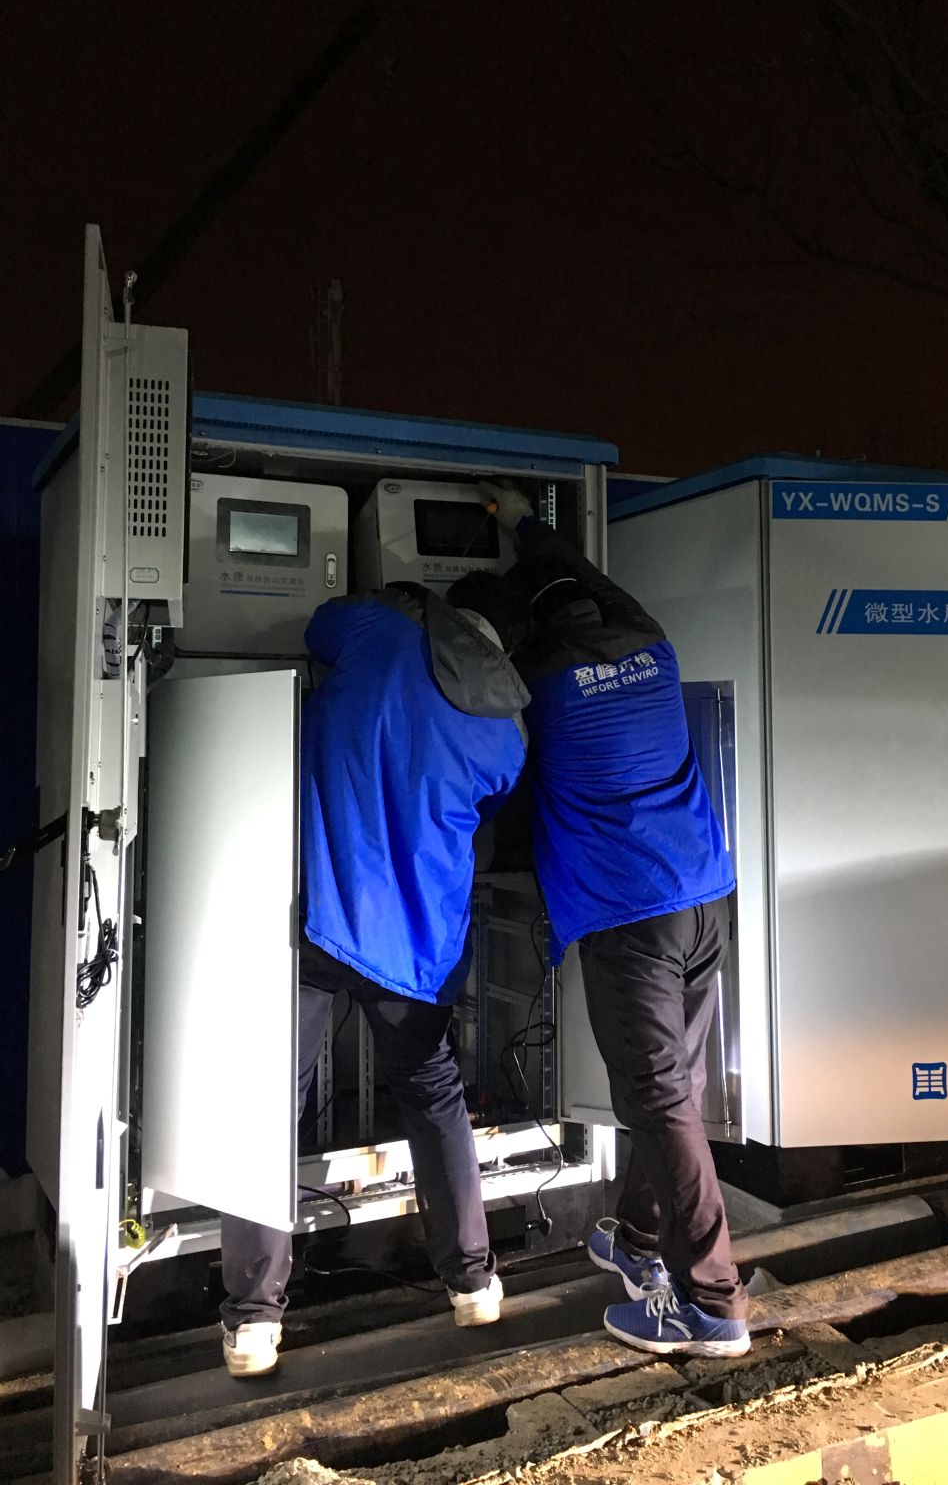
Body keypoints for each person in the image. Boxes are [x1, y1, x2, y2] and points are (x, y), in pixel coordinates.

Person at [218, 572, 530, 1377]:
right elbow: (484, 812)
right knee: (432, 1095)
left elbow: (317, 623)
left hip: (324, 919)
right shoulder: (507, 731)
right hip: (418, 946)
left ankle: (253, 1321)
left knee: (265, 1107)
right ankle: (474, 1283)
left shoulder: (380, 635)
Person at [479, 480, 749, 1359]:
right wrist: (528, 526)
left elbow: (490, 758)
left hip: (628, 916)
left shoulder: (538, 687)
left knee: (660, 1101)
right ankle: (636, 1242)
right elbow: (585, 578)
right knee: (674, 1092)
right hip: (701, 896)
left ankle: (710, 1306)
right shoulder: (650, 644)